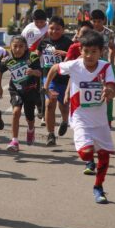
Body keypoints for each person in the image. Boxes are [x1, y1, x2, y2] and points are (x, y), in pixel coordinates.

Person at [45, 32, 115, 204]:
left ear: (101, 52)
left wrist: (109, 91)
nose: (89, 55)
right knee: (86, 153)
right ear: (80, 51)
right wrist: (46, 87)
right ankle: (89, 159)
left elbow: (112, 88)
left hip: (100, 121)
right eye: (86, 51)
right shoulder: (75, 65)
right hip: (80, 118)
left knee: (105, 156)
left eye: (94, 51)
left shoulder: (106, 67)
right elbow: (55, 68)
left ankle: (98, 187)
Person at [0, 35, 42, 152]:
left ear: (26, 47)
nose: (17, 49)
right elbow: (0, 71)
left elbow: (40, 73)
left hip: (30, 90)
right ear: (11, 47)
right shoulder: (8, 59)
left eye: (21, 46)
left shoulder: (32, 57)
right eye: (15, 46)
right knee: (16, 112)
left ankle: (31, 129)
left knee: (29, 117)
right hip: (15, 89)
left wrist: (32, 71)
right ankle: (14, 141)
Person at [38, 16, 72, 146]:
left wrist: (65, 54)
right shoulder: (44, 42)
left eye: (58, 29)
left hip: (64, 79)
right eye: (52, 28)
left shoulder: (68, 43)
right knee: (49, 103)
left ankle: (64, 121)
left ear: (63, 30)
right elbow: (36, 55)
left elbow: (75, 58)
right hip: (49, 78)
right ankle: (51, 134)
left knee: (63, 105)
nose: (54, 31)